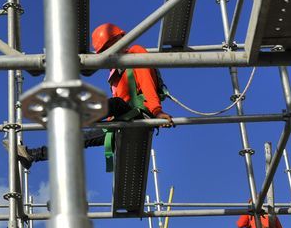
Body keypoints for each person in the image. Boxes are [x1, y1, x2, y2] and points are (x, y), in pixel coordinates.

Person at [12, 22, 174, 168]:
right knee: (81, 138)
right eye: (104, 52)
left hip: (141, 116)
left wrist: (157, 111)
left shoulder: (136, 53)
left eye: (110, 48)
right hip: (121, 122)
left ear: (120, 40)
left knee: (114, 103)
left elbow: (147, 85)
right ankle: (33, 155)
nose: (109, 55)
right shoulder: (115, 73)